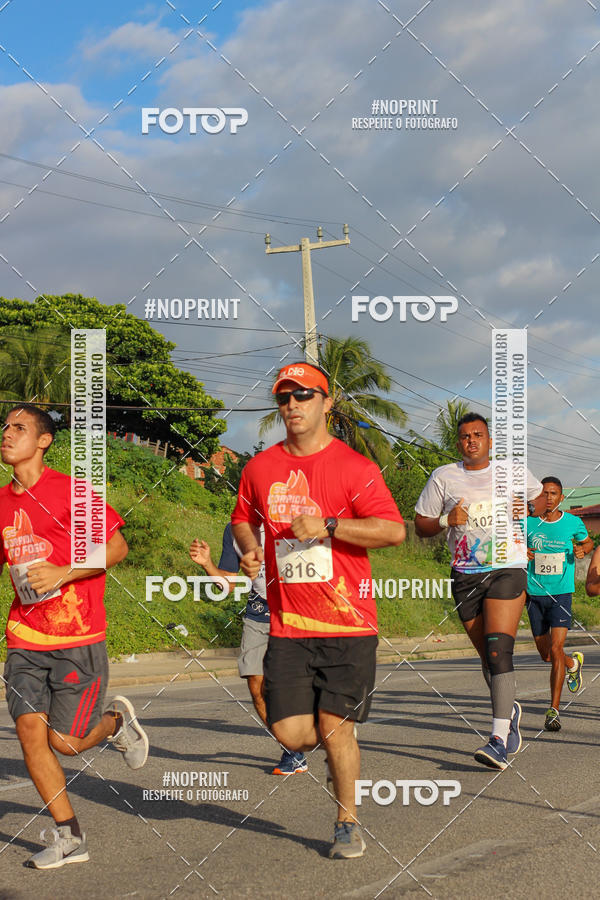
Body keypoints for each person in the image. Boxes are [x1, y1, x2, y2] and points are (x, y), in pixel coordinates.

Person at [231, 361, 405, 859]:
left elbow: (393, 531)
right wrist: (248, 547)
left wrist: (331, 524)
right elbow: (243, 519)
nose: (292, 406)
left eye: (304, 396)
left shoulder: (354, 467)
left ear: (327, 403)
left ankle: (347, 820)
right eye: (284, 397)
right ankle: (333, 757)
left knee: (335, 727)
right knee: (293, 734)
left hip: (348, 623)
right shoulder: (260, 468)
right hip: (287, 625)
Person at [1, 404, 148, 870]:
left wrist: (64, 572)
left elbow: (119, 547)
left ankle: (114, 724)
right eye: (5, 426)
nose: (6, 433)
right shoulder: (2, 502)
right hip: (25, 635)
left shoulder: (69, 492)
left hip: (78, 634)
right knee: (29, 733)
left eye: (18, 428)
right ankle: (69, 835)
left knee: (64, 742)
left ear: (43, 441)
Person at [414, 412, 544, 770]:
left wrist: (530, 508)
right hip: (466, 575)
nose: (471, 440)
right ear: (458, 443)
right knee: (488, 657)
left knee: (499, 651)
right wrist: (445, 520)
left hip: (507, 568)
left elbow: (543, 501)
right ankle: (509, 711)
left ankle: (497, 740)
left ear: (489, 441)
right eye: (465, 436)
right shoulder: (444, 477)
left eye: (478, 435)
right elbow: (420, 525)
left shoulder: (512, 471)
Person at [189, 523, 308, 774]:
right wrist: (207, 564)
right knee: (256, 685)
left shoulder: (287, 519)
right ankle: (291, 750)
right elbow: (229, 583)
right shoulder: (234, 530)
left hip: (296, 611)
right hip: (259, 613)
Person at [526, 476, 593, 731]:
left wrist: (583, 550)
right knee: (546, 655)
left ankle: (553, 711)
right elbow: (510, 546)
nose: (550, 498)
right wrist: (522, 552)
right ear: (539, 498)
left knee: (556, 648)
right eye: (545, 494)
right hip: (534, 594)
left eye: (554, 493)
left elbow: (587, 542)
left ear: (561, 497)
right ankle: (572, 663)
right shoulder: (528, 523)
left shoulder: (573, 522)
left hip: (562, 594)